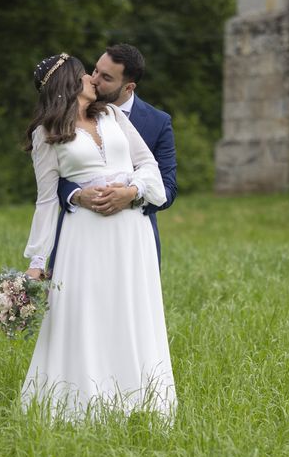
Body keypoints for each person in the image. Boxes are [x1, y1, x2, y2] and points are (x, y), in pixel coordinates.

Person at [21, 52, 176, 421]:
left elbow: (149, 165)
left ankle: (140, 402)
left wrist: (133, 190)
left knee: (131, 310)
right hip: (84, 237)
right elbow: (45, 202)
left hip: (131, 232)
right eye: (86, 73)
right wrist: (37, 264)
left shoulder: (112, 115)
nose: (93, 77)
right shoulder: (46, 135)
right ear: (71, 83)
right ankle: (82, 402)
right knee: (88, 314)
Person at [48, 44, 177, 274]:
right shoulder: (65, 113)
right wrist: (77, 195)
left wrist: (130, 196)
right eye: (95, 70)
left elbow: (167, 189)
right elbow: (52, 176)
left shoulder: (158, 122)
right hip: (80, 233)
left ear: (128, 86)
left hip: (133, 238)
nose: (93, 79)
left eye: (105, 77)